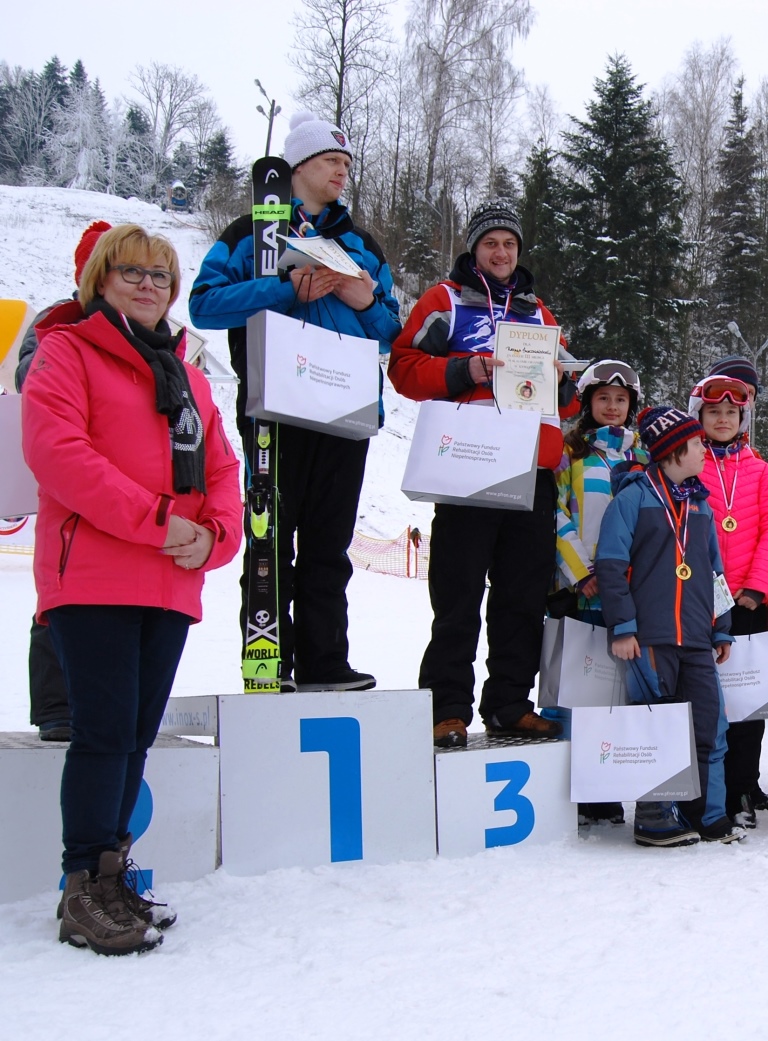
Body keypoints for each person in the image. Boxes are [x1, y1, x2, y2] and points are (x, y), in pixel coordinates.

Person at [22, 224, 242, 955]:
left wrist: (215, 535)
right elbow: (60, 455)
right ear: (100, 280)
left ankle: (112, 874)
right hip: (94, 575)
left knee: (135, 736)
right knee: (104, 732)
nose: (149, 286)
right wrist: (159, 521)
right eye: (132, 273)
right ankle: (81, 883)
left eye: (161, 276)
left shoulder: (189, 375)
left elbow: (222, 470)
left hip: (169, 582)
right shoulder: (67, 351)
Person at [189, 111, 400, 693]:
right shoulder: (251, 232)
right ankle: (267, 660)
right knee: (271, 538)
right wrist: (285, 289)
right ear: (298, 166)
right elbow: (204, 304)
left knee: (329, 545)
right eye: (331, 160)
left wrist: (365, 300)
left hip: (346, 410)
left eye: (347, 163)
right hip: (276, 408)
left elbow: (392, 332)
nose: (342, 171)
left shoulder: (361, 244)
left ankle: (324, 661)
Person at [388, 200, 579, 748]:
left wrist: (564, 384)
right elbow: (402, 368)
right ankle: (447, 707)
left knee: (522, 597)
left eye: (509, 244)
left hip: (531, 468)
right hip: (469, 463)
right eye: (491, 243)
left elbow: (566, 402)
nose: (501, 252)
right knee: (459, 592)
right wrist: (465, 369)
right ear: (474, 249)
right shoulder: (444, 300)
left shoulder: (539, 314)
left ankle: (509, 704)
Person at [596, 406, 744, 846]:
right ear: (673, 450)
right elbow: (610, 565)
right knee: (656, 726)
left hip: (697, 637)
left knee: (709, 726)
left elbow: (715, 572)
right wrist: (624, 627)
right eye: (697, 444)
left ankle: (708, 815)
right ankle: (654, 818)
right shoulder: (632, 499)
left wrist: (722, 627)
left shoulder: (700, 505)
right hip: (651, 638)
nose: (704, 451)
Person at [15, 220, 113, 742]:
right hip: (69, 486)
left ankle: (109, 700)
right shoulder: (57, 325)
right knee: (60, 587)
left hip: (126, 485)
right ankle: (56, 706)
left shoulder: (147, 329)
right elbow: (30, 376)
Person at [552, 359, 649, 825]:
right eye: (604, 398)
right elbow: (554, 514)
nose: (612, 407)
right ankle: (570, 794)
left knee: (616, 694)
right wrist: (581, 572)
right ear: (588, 403)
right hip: (584, 593)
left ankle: (605, 788)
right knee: (578, 693)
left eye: (621, 399)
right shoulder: (570, 453)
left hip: (628, 595)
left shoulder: (643, 458)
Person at [688, 374, 768, 828]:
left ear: (743, 418)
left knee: (748, 702)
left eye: (731, 413)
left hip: (749, 603)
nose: (722, 419)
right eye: (714, 411)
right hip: (700, 602)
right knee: (707, 701)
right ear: (699, 415)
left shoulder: (760, 470)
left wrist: (756, 588)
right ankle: (708, 789)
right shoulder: (689, 462)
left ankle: (743, 786)